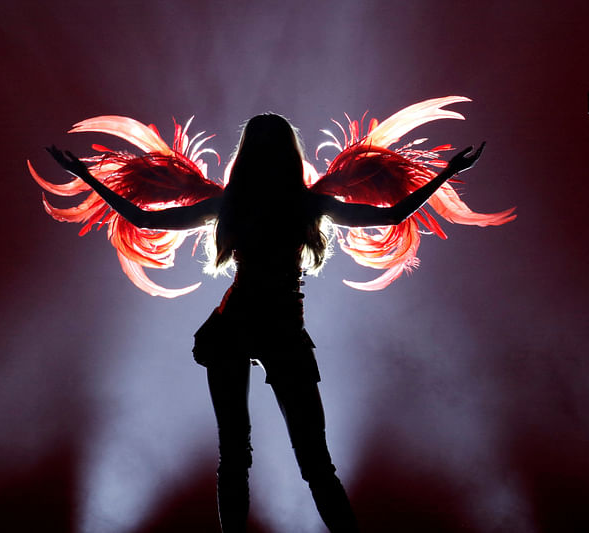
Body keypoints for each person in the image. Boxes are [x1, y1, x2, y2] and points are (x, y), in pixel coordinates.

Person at [47, 113, 484, 532]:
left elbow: (143, 217)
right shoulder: (302, 204)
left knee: (241, 455)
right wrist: (446, 172)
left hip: (242, 326)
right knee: (307, 461)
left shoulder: (238, 204)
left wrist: (86, 177)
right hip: (266, 328)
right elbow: (392, 215)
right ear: (291, 156)